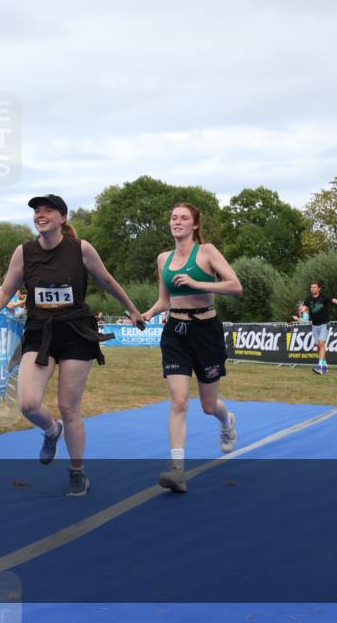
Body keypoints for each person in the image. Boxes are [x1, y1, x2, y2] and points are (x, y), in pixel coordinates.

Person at [0, 194, 145, 496]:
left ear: (62, 218)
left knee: (69, 407)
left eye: (48, 210)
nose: (40, 215)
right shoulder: (24, 252)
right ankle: (50, 430)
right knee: (29, 403)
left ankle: (77, 471)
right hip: (39, 332)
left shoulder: (80, 249)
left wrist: (133, 309)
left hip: (76, 332)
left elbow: (107, 281)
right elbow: (7, 288)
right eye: (36, 211)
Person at [141, 202, 243, 493]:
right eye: (173, 217)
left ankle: (227, 420)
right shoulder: (164, 258)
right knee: (179, 400)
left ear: (195, 225)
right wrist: (147, 314)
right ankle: (176, 470)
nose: (177, 222)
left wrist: (200, 284)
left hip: (206, 331)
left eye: (183, 218)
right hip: (175, 331)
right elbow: (165, 300)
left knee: (208, 405)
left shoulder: (207, 251)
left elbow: (235, 285)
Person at [302, 282, 337, 374]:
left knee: (321, 344)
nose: (312, 289)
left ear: (319, 289)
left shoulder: (324, 297)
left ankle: (320, 367)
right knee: (318, 347)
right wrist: (302, 310)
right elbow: (305, 308)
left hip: (324, 324)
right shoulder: (308, 298)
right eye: (311, 287)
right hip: (314, 325)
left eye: (314, 287)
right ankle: (324, 367)